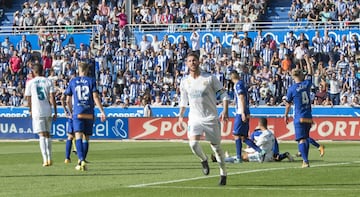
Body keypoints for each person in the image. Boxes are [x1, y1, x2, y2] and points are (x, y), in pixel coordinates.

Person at [177, 53, 228, 186]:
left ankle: (223, 173)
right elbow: (183, 100)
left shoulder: (210, 78)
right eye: (189, 61)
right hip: (195, 118)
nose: (192, 63)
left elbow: (223, 94)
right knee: (193, 144)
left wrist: (225, 109)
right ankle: (204, 159)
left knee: (216, 148)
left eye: (194, 60)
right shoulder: (185, 82)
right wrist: (181, 116)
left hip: (210, 118)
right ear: (187, 64)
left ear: (198, 62)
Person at [63, 62, 106, 171]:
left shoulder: (73, 81)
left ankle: (81, 159)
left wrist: (71, 111)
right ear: (87, 70)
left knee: (77, 136)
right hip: (89, 112)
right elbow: (95, 97)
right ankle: (81, 161)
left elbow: (67, 100)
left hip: (78, 112)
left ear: (79, 69)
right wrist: (102, 111)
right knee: (86, 137)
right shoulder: (91, 81)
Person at [212, 117, 294, 162]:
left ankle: (220, 159)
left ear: (259, 124)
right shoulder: (271, 134)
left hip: (262, 157)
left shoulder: (263, 136)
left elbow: (255, 147)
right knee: (242, 156)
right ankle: (225, 158)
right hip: (268, 155)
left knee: (241, 157)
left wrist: (245, 145)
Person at [24, 63, 57, 167]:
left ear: (34, 72)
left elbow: (28, 98)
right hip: (47, 109)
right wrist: (55, 111)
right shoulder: (48, 81)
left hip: (37, 111)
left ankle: (45, 159)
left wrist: (30, 110)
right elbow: (52, 97)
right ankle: (50, 157)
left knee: (41, 135)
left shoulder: (31, 82)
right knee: (47, 134)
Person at [229, 70, 266, 163]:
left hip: (241, 112)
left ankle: (238, 157)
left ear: (231, 77)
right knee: (243, 137)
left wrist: (242, 112)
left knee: (236, 135)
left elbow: (242, 97)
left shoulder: (238, 84)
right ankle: (260, 151)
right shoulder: (241, 84)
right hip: (245, 111)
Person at [284, 55, 313, 168]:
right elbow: (310, 72)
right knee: (306, 137)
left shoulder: (291, 89)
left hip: (299, 116)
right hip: (308, 115)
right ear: (301, 75)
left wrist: (285, 115)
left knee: (301, 139)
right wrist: (307, 60)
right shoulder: (306, 84)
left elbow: (288, 104)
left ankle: (305, 161)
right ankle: (305, 158)